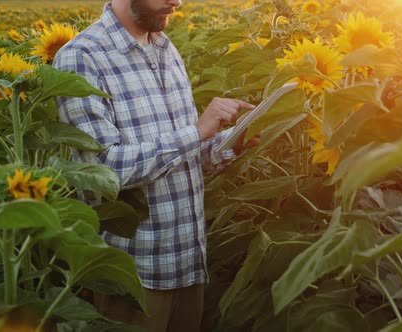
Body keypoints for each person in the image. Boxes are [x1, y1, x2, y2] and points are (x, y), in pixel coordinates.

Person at [53, 0, 260, 331]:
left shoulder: (165, 48)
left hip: (187, 264)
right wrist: (195, 132)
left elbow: (180, 162)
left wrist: (225, 146)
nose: (176, 1)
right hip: (134, 278)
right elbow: (104, 172)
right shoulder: (82, 58)